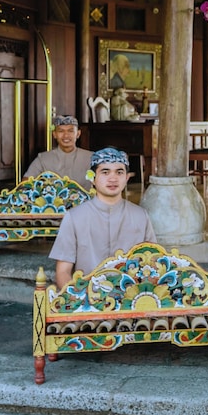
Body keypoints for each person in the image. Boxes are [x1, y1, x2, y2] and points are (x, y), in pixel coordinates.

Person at [49, 147, 156, 289]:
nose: (113, 178)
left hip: (131, 296)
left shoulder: (141, 216)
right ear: (92, 178)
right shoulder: (74, 217)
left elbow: (153, 263)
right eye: (105, 172)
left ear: (127, 178)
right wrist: (76, 298)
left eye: (119, 172)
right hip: (88, 295)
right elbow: (63, 272)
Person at [23, 115, 94, 189]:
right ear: (54, 134)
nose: (66, 135)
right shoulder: (43, 158)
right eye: (61, 131)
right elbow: (25, 183)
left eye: (70, 131)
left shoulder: (91, 158)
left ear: (78, 134)